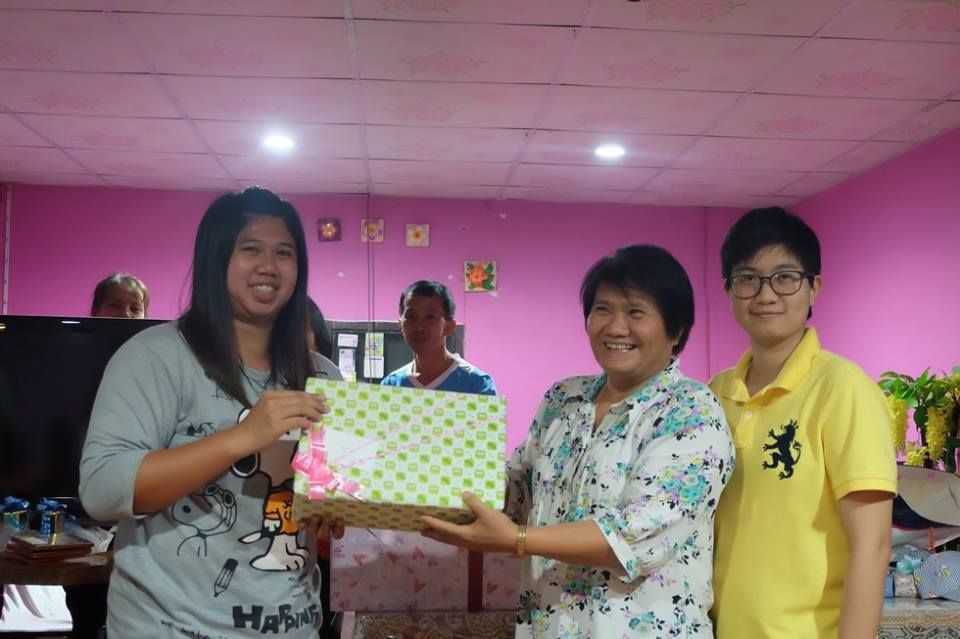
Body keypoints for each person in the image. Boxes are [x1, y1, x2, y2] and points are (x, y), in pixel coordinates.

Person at [421, 245, 735, 638]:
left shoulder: (692, 411)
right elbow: (517, 488)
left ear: (676, 330)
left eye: (636, 312)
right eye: (603, 309)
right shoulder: (563, 399)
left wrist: (518, 540)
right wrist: (419, 479)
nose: (616, 327)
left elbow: (634, 534)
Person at [80, 187, 341, 637]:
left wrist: (334, 511)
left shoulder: (321, 376)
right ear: (215, 259)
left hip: (291, 626)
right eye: (250, 249)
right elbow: (102, 490)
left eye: (284, 253)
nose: (269, 266)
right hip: (169, 628)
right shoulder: (155, 357)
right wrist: (242, 438)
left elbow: (325, 507)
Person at [709, 207, 896, 639]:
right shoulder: (715, 394)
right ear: (728, 290)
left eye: (785, 277)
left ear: (814, 288)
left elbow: (872, 546)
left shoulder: (842, 388)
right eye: (748, 278)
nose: (766, 295)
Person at [381, 280, 496, 395]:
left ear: (449, 326)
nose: (419, 327)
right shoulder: (391, 385)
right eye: (411, 316)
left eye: (430, 317)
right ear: (400, 325)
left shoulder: (477, 385)